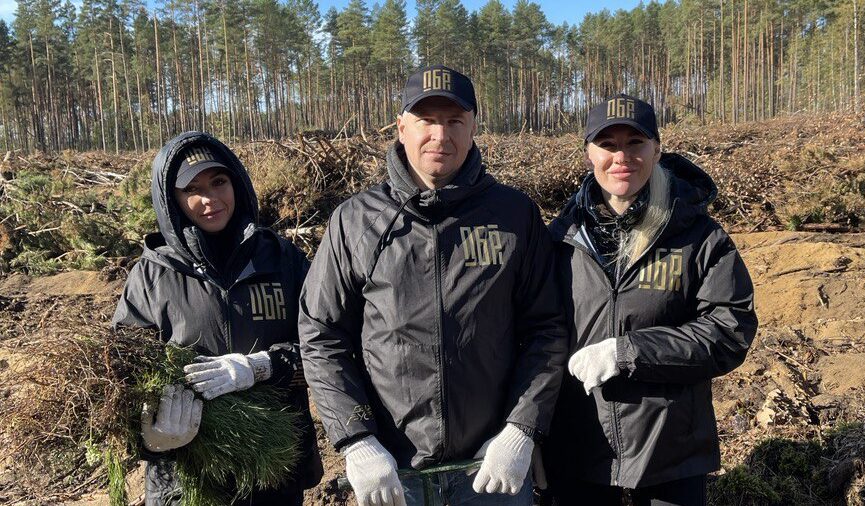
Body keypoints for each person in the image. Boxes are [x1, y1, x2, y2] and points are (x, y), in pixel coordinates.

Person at [299, 65, 567, 506]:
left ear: (474, 127)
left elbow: (547, 328)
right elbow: (321, 334)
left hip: (490, 468)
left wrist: (521, 430)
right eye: (427, 120)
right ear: (402, 127)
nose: (441, 135)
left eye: (454, 121)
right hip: (392, 471)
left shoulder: (514, 216)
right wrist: (356, 439)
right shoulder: (355, 220)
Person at [542, 94, 757, 506]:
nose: (622, 156)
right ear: (589, 153)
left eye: (635, 142)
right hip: (578, 446)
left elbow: (730, 330)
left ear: (657, 149)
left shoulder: (699, 237)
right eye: (607, 144)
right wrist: (528, 431)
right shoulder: (559, 239)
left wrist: (628, 351)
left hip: (670, 449)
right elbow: (536, 334)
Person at [112, 131, 323, 505]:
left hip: (273, 473)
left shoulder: (282, 260)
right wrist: (152, 439)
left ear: (237, 183)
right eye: (192, 189)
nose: (210, 199)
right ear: (171, 200)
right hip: (188, 479)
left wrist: (262, 366)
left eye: (219, 181)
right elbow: (121, 379)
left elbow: (326, 347)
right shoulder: (151, 277)